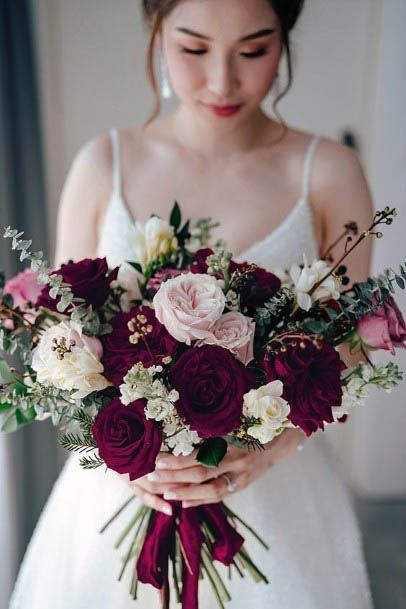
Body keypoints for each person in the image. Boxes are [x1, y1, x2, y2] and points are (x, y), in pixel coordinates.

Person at [9, 1, 374, 607]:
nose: (223, 80)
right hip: (120, 491)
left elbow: (353, 346)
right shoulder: (103, 165)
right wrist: (128, 455)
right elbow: (64, 343)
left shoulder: (330, 171)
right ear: (156, 34)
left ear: (284, 40)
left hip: (278, 490)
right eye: (195, 49)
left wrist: (261, 453)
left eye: (254, 51)